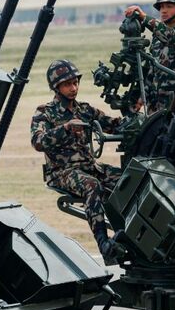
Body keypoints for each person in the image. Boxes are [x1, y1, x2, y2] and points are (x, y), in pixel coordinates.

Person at [30, 60, 123, 264]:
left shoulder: (85, 110)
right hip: (62, 173)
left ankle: (128, 236)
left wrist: (131, 111)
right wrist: (65, 129)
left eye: (75, 83)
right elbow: (37, 142)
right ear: (56, 87)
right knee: (93, 186)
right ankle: (105, 246)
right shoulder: (44, 112)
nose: (73, 88)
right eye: (67, 84)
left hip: (90, 167)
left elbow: (114, 126)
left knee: (128, 179)